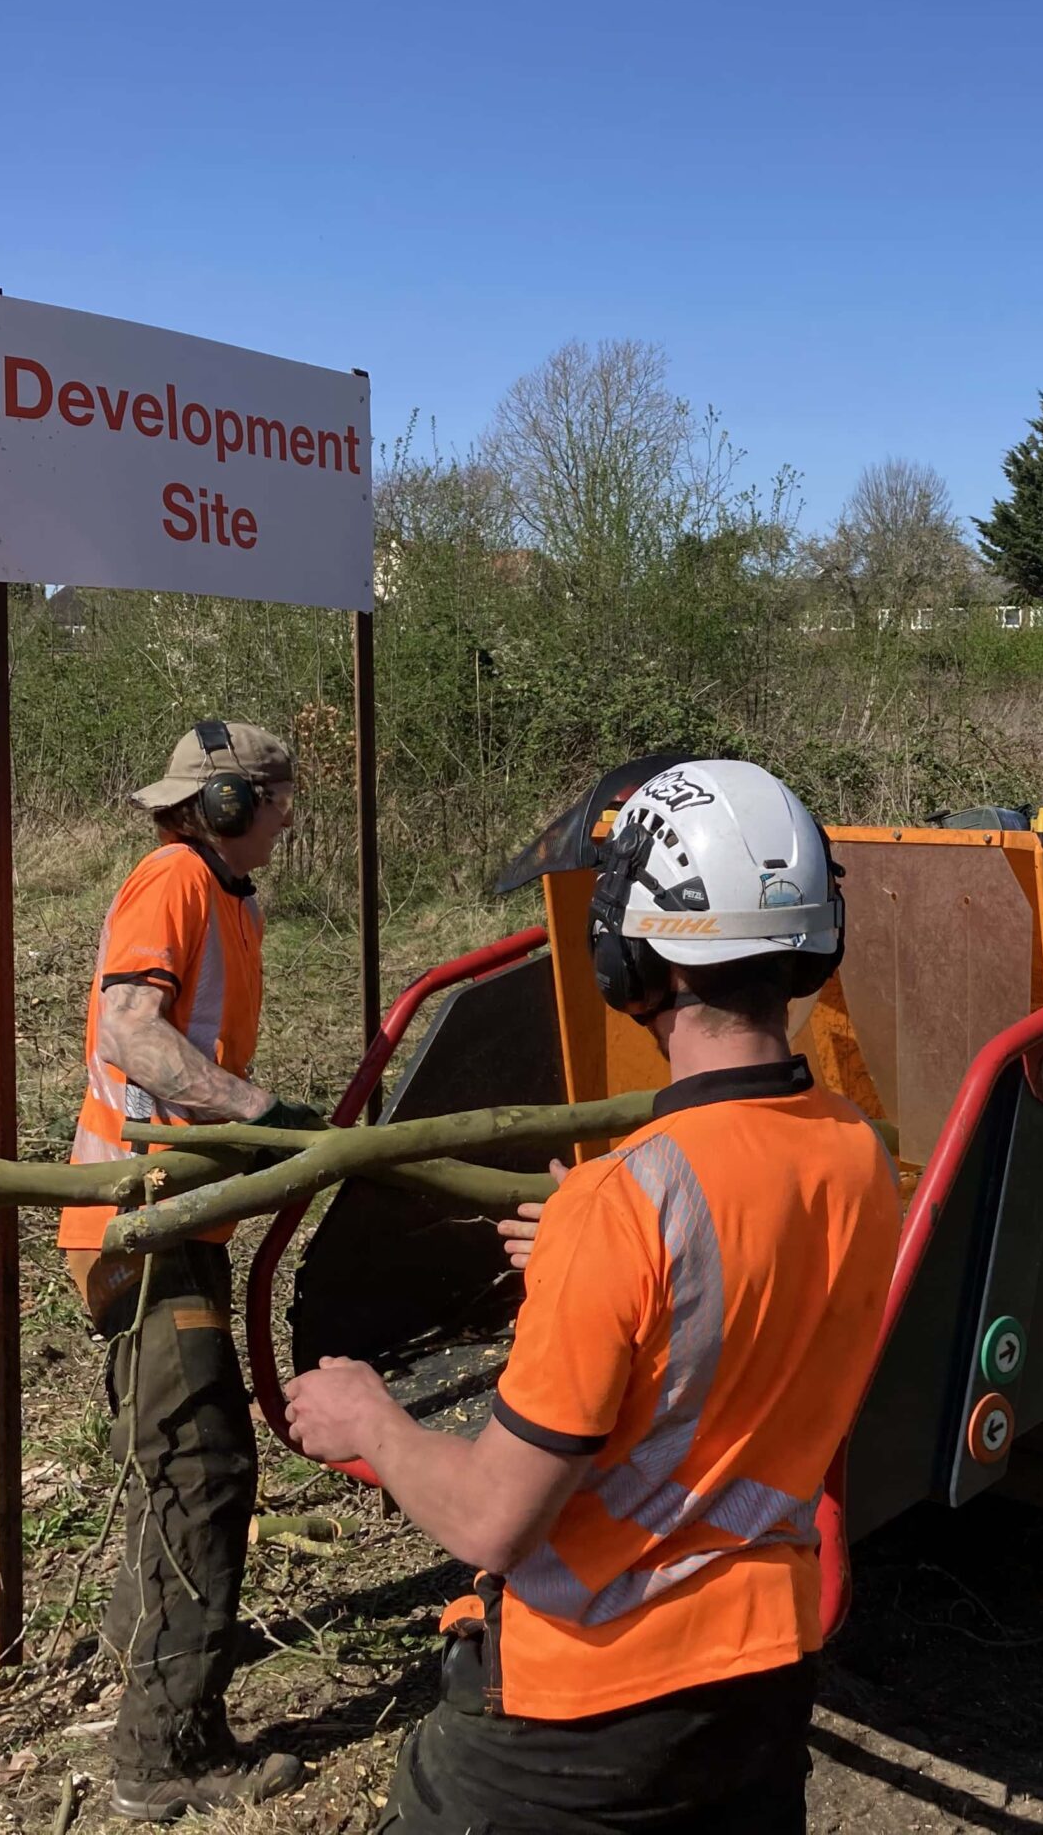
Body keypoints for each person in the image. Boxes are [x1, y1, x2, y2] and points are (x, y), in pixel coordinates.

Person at [285, 759, 900, 1833]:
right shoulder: (858, 1155)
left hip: (585, 1717)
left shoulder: (623, 1204)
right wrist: (588, 1262)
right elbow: (732, 1316)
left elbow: (492, 1522)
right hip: (759, 1689)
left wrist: (368, 1419)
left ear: (630, 950)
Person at [63, 719, 320, 1822]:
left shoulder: (224, 894)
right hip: (141, 1223)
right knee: (204, 1477)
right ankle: (161, 1755)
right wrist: (255, 1109)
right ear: (224, 806)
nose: (288, 818)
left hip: (175, 1218)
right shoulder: (172, 878)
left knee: (174, 1456)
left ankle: (136, 1656)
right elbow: (131, 1032)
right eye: (276, 799)